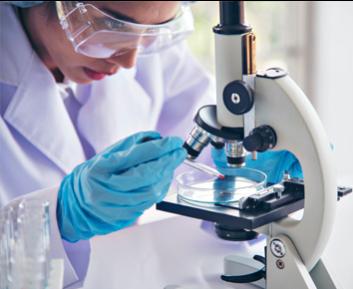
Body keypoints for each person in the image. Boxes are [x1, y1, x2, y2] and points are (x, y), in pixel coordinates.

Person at [0, 1, 302, 287]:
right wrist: (57, 219)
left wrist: (248, 173)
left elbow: (208, 151)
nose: (129, 60)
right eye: (110, 24)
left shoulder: (149, 51)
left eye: (153, 30)